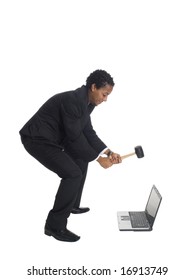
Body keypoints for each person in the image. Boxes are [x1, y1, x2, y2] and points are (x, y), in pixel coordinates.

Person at [19, 69, 122, 242]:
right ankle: (54, 226)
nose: (105, 99)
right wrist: (98, 160)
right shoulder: (73, 101)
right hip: (37, 139)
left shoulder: (86, 103)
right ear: (93, 87)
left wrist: (109, 152)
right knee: (72, 173)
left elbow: (88, 132)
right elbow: (75, 137)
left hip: (54, 137)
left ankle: (72, 204)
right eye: (104, 94)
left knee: (81, 159)